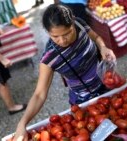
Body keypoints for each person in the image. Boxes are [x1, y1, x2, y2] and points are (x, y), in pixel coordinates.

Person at [13, 4, 116, 141]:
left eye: (67, 33)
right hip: (85, 103)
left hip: (108, 86)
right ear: (48, 32)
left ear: (73, 22)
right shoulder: (49, 57)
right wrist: (22, 123)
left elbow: (96, 37)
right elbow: (39, 94)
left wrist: (103, 48)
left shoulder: (80, 24)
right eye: (55, 36)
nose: (62, 40)